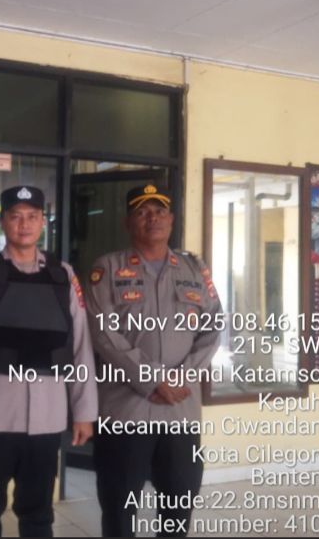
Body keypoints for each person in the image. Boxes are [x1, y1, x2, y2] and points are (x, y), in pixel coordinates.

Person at [0, 185, 98, 537]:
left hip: (47, 421)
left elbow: (80, 346)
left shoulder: (64, 275)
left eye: (32, 217)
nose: (24, 224)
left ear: (43, 222)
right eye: (15, 217)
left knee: (39, 514)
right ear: (2, 222)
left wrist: (85, 411)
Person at [84, 184, 223, 538]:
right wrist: (154, 380)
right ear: (128, 222)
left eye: (160, 211)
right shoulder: (107, 268)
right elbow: (103, 332)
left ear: (171, 219)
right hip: (125, 411)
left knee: (178, 509)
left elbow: (213, 327)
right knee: (119, 511)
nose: (153, 218)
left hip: (180, 412)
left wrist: (180, 379)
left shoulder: (194, 269)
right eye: (143, 212)